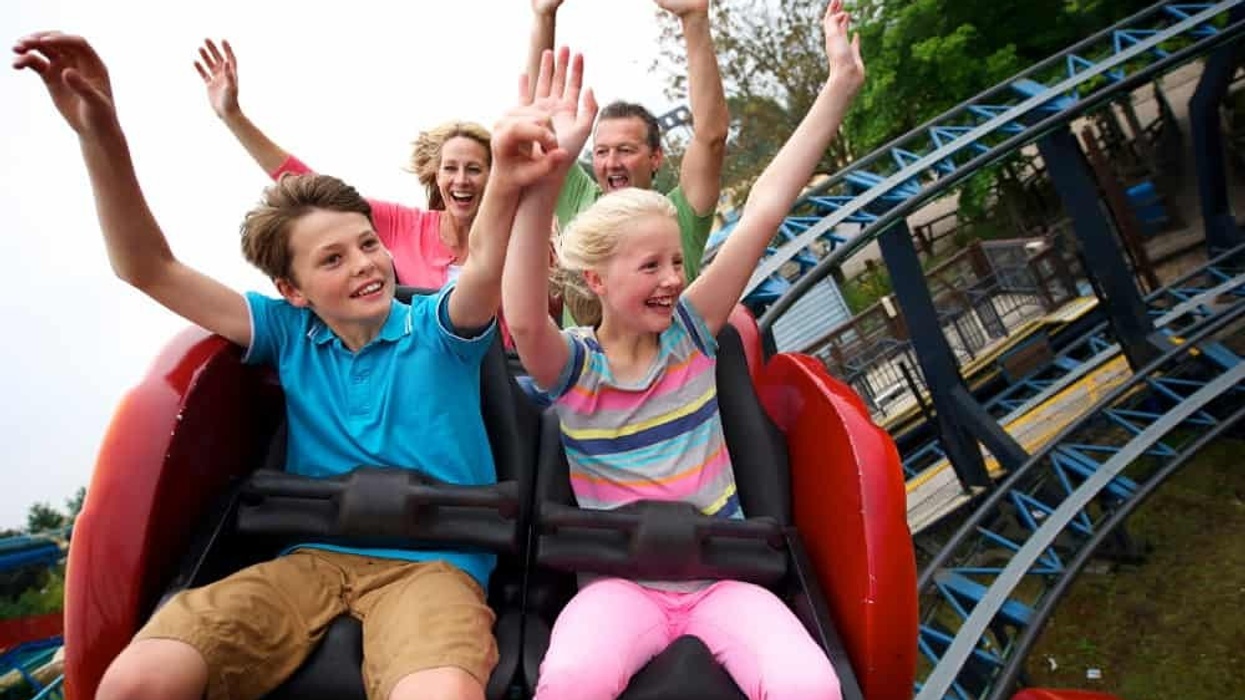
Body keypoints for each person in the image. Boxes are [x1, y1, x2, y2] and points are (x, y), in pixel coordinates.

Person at [14, 30, 575, 700]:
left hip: (436, 567)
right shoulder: (287, 333)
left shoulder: (440, 328)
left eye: (367, 244)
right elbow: (147, 267)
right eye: (333, 259)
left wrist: (511, 180)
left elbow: (484, 262)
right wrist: (99, 134)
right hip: (311, 560)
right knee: (136, 679)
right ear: (294, 290)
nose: (367, 264)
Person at [502, 2, 865, 697]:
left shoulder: (694, 332)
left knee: (809, 683)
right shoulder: (575, 367)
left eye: (676, 261)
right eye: (651, 268)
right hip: (621, 585)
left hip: (722, 576)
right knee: (571, 676)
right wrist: (539, 180)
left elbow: (763, 206)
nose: (674, 279)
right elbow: (522, 321)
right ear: (596, 282)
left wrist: (838, 84)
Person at [194, 38, 490, 288]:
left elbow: (531, 124)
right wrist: (234, 117)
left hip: (503, 356)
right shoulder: (407, 225)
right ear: (436, 176)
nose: (461, 179)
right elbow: (308, 184)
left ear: (494, 177)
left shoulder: (515, 232)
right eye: (450, 168)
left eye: (474, 169)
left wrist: (540, 23)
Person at [528, 0, 728, 323]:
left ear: (655, 158)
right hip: (588, 372)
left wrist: (694, 20)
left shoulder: (679, 215)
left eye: (625, 149)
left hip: (667, 368)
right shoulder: (579, 200)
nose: (611, 162)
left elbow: (712, 137)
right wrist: (543, 15)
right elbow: (540, 120)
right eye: (602, 151)